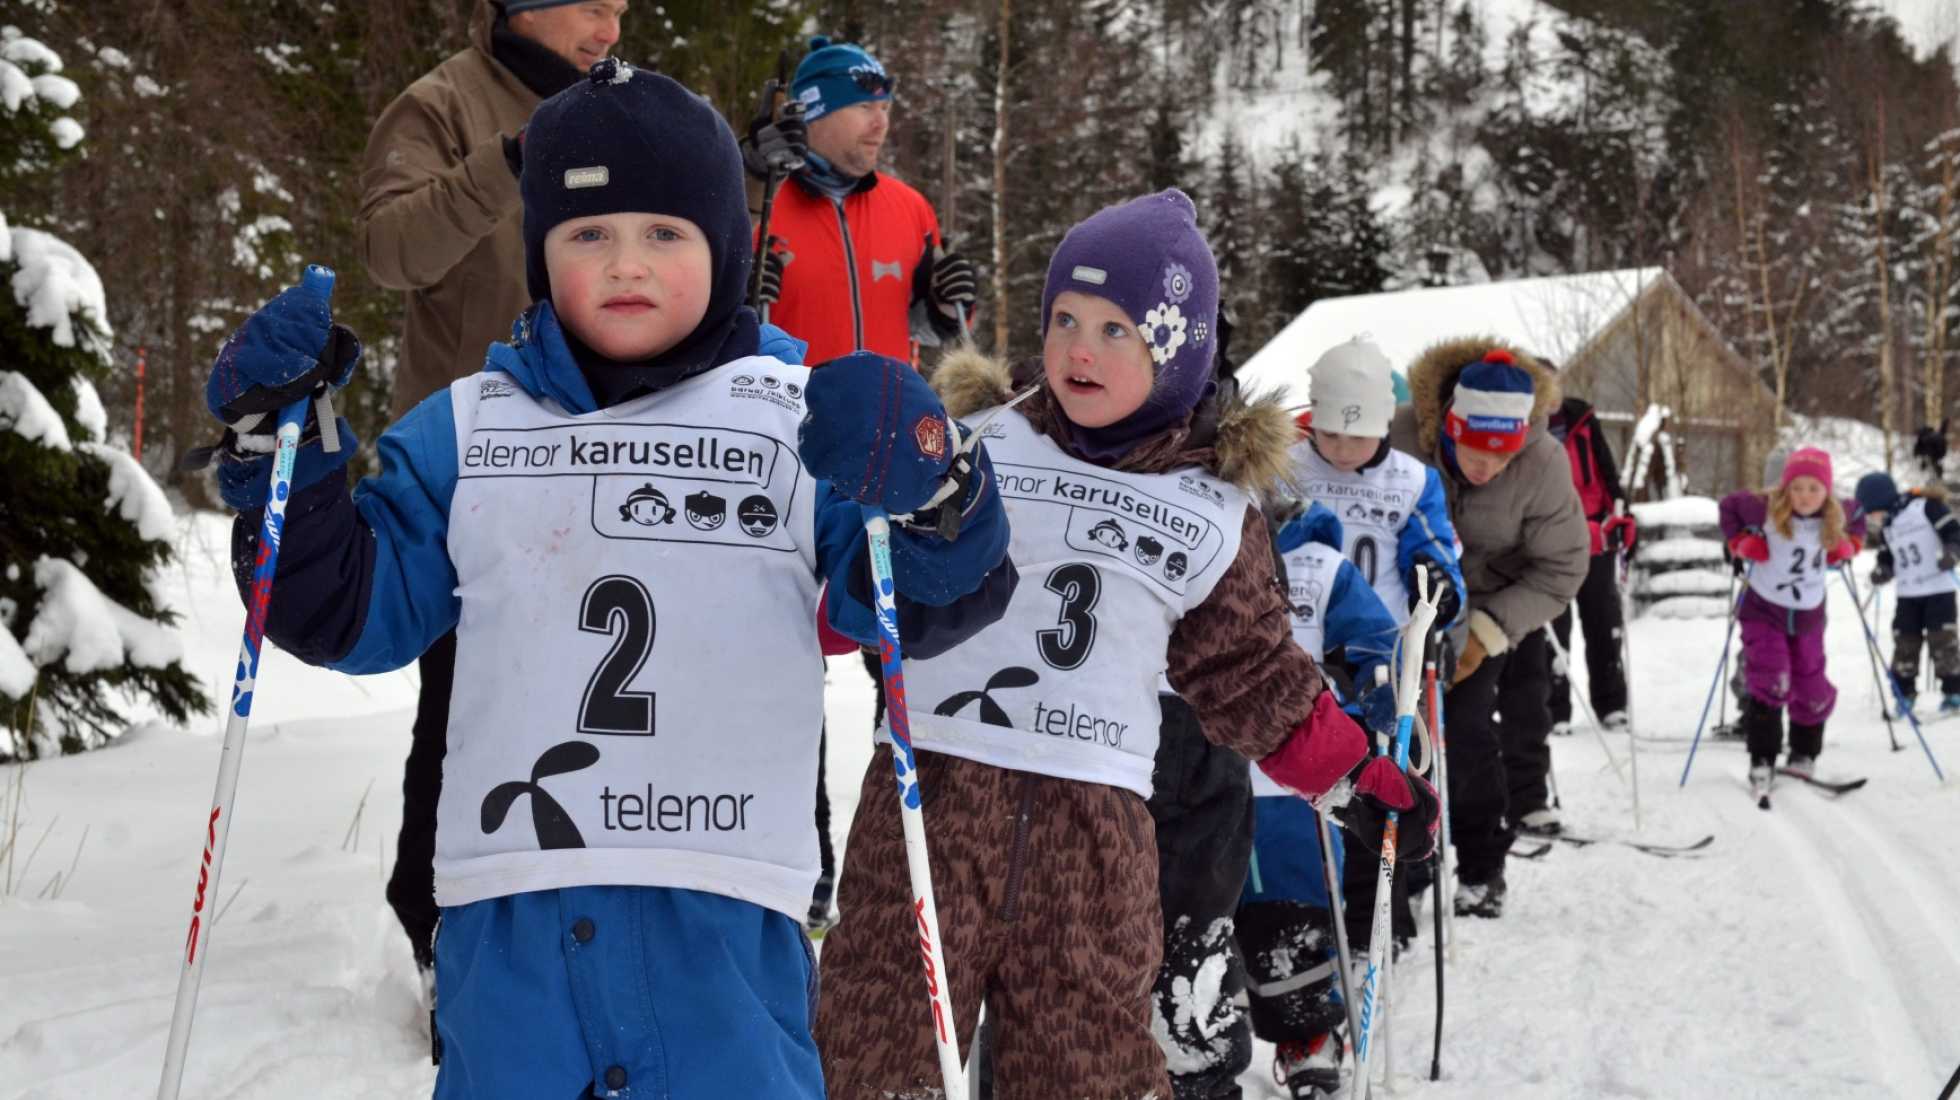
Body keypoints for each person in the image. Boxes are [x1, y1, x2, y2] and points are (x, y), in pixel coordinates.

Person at [198, 62, 1015, 1097]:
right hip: (515, 929)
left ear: (723, 247)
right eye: (588, 234)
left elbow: (917, 604)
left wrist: (937, 488)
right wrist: (288, 469)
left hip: (721, 925)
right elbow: (347, 611)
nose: (626, 263)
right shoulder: (465, 428)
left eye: (664, 234)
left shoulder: (793, 421)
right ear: (540, 252)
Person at [813, 190, 1437, 1100]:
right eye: (1065, 318)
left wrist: (1356, 779)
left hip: (1095, 839)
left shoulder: (1214, 512)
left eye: (1116, 330)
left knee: (1087, 1064)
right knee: (877, 1050)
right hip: (927, 804)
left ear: (1178, 348)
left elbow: (1253, 676)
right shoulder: (977, 442)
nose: (1077, 349)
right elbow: (858, 588)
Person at [354, 0, 624, 983]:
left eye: (622, 4)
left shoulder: (620, 107)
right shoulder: (440, 105)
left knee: (595, 699)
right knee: (471, 705)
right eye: (592, 3)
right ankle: (438, 925)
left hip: (607, 462)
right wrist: (505, 163)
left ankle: (580, 906)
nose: (614, 22)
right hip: (474, 467)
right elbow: (391, 253)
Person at [1375, 342, 1589, 921]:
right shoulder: (1394, 435)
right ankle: (1408, 863)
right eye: (1473, 450)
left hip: (1489, 608)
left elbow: (1565, 566)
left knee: (1467, 730)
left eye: (1502, 457)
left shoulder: (1542, 461)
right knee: (1399, 736)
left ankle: (1481, 865)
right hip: (1399, 606)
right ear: (1448, 423)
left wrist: (1490, 632)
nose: (1485, 467)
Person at [1239, 501, 1399, 1100]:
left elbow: (1373, 633)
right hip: (1189, 763)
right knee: (1186, 905)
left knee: (1288, 907)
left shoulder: (1322, 566)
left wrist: (1374, 677)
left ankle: (1306, 1034)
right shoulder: (1198, 525)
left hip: (1290, 777)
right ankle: (1187, 1034)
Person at [743, 36, 976, 363]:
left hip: (888, 410)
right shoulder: (755, 205)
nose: (881, 124)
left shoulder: (910, 207)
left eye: (885, 108)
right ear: (813, 113)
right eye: (864, 107)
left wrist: (948, 305)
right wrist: (739, 298)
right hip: (789, 411)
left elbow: (925, 330)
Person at [1719, 447, 1864, 801]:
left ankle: (1803, 752)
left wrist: (1850, 547)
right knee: (1772, 677)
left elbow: (1859, 514)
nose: (1804, 497)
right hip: (1763, 608)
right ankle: (1762, 756)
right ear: (1785, 487)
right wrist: (1741, 542)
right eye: (1796, 488)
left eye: (1814, 489)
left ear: (1826, 492)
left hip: (1809, 614)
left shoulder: (1836, 514)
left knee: (1811, 683)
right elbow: (1727, 506)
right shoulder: (1763, 507)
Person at [1545, 394, 1636, 747]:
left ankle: (1611, 701)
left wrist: (1622, 512)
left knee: (1603, 616)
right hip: (1548, 536)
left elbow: (1606, 468)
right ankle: (1554, 707)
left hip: (1594, 530)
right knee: (1554, 622)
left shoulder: (1582, 419)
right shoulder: (1526, 426)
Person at [1855, 471, 1960, 714]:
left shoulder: (1926, 507)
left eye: (1872, 511)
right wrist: (1882, 570)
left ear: (1882, 501)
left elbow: (1954, 532)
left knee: (1942, 640)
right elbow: (1887, 556)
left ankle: (1954, 693)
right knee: (1905, 642)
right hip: (1908, 593)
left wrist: (1952, 551)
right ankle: (1904, 695)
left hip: (1938, 588)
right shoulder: (1888, 525)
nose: (1871, 517)